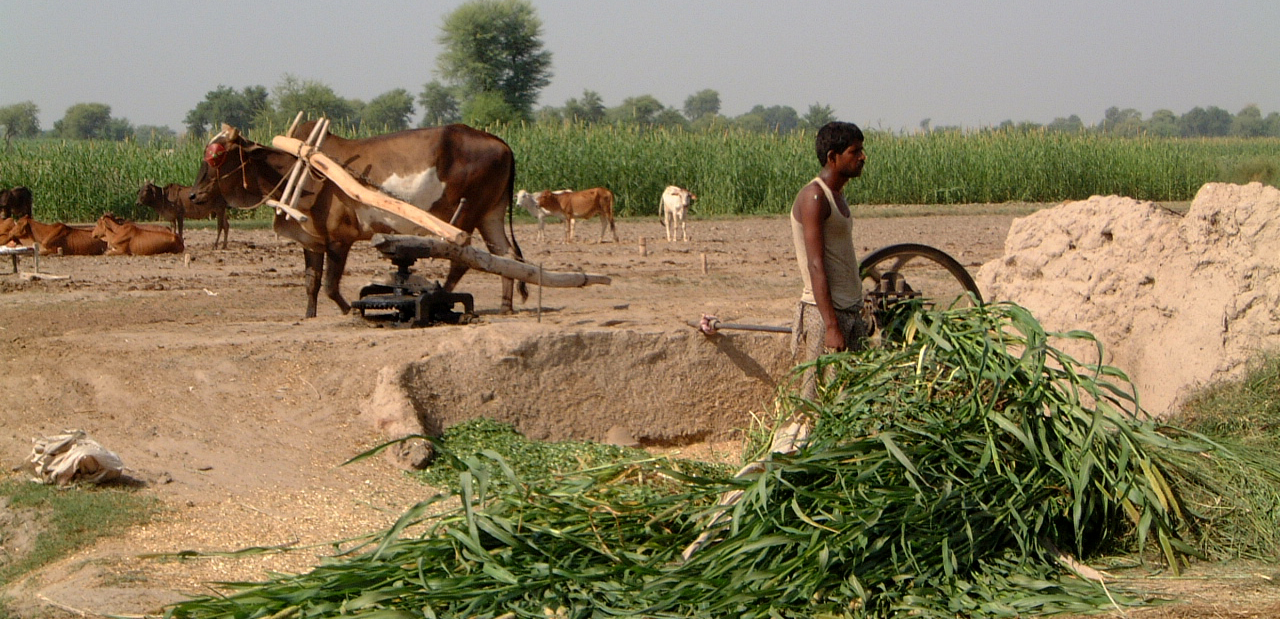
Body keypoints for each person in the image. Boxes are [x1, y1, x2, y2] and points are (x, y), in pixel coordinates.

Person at [790, 121, 869, 400]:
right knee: (823, 401)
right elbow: (816, 265)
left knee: (855, 398)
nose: (863, 157)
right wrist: (832, 326)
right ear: (833, 158)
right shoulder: (815, 197)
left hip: (848, 309)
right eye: (855, 151)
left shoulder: (838, 196)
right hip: (826, 314)